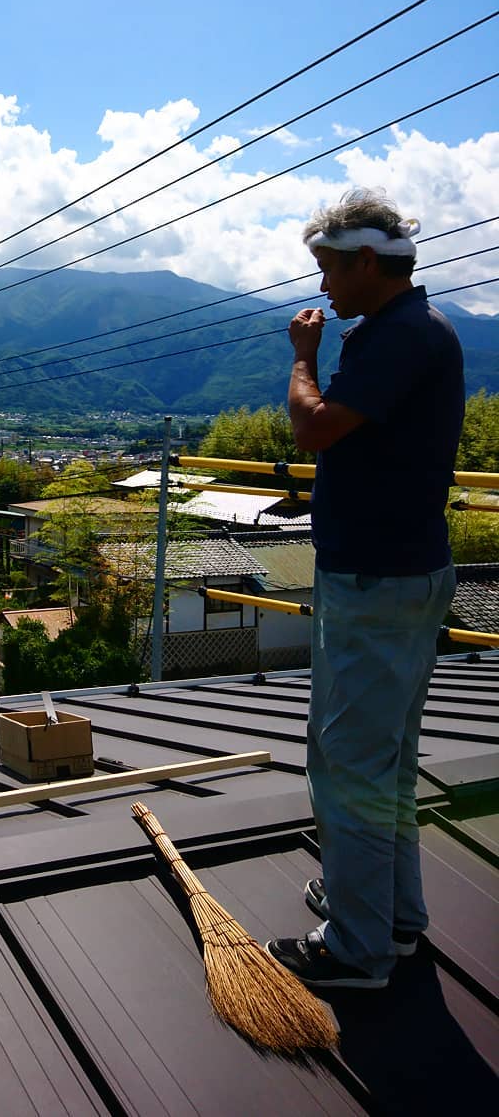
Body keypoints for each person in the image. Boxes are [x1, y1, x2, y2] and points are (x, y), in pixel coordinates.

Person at [266, 188, 464, 990]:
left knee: (347, 761)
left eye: (327, 270)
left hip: (378, 582)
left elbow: (313, 428)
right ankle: (392, 915)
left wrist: (303, 358)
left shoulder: (397, 338)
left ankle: (356, 947)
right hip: (401, 575)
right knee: (383, 759)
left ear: (368, 264)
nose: (322, 289)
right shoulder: (412, 330)